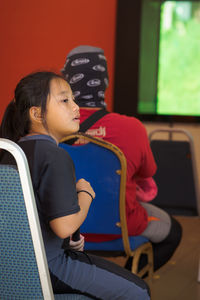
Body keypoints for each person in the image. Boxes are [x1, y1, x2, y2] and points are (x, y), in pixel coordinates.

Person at [0, 71, 150, 299]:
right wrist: (85, 194)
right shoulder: (54, 156)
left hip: (17, 266)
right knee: (139, 291)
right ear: (37, 113)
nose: (76, 107)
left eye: (74, 99)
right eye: (65, 100)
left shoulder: (14, 152)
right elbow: (64, 226)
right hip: (51, 267)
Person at [61, 45, 182, 272]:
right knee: (174, 231)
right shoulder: (133, 128)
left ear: (67, 82)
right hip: (122, 230)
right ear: (104, 81)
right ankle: (126, 280)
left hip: (65, 229)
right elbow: (147, 173)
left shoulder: (51, 128)